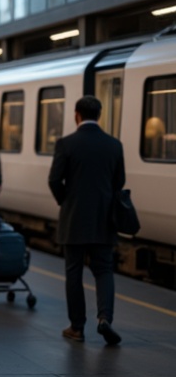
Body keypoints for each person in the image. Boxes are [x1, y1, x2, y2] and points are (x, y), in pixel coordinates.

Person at [48, 95, 126, 346]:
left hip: (74, 218)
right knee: (104, 270)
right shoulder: (114, 145)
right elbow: (119, 182)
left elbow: (54, 180)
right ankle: (105, 319)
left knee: (74, 272)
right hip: (104, 219)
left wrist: (66, 201)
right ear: (99, 115)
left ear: (76, 115)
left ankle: (77, 327)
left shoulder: (66, 144)